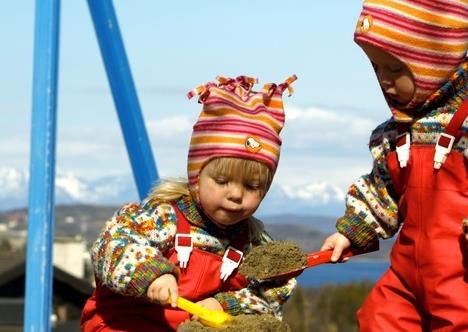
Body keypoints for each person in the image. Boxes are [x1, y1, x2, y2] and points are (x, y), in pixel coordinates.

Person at [80, 74, 298, 331]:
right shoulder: (162, 218)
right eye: (222, 180)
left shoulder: (253, 244)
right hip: (125, 323)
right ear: (196, 177)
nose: (236, 195)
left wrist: (225, 305)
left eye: (251, 187)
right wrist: (152, 274)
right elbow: (114, 243)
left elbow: (271, 295)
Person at [320, 0, 468, 331]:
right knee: (378, 318)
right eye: (377, 68)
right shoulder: (397, 134)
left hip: (462, 273)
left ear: (436, 61)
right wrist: (352, 231)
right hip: (407, 272)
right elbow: (381, 189)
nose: (384, 80)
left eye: (396, 69)